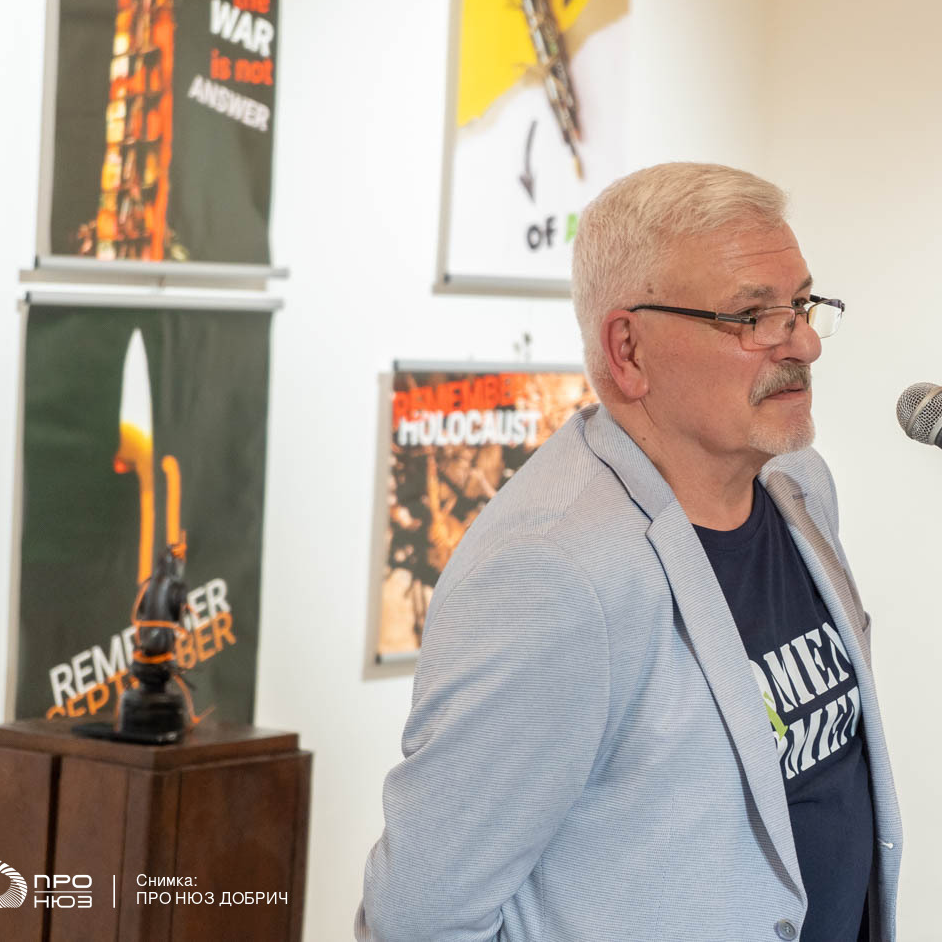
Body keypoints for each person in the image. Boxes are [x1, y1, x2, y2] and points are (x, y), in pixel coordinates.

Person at [356, 163, 902, 942]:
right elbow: (417, 919)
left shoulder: (799, 485)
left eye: (803, 305)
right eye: (754, 316)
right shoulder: (554, 575)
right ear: (628, 350)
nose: (806, 342)